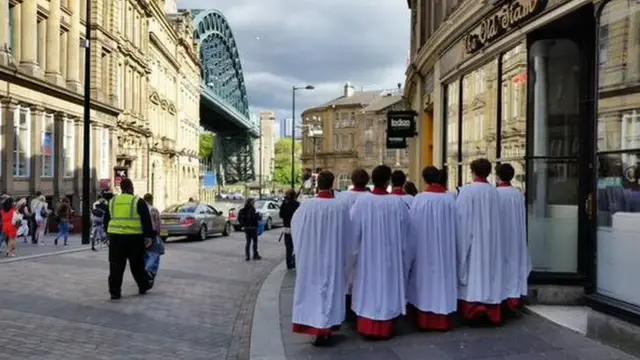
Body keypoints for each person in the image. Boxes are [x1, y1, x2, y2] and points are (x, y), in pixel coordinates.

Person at [349, 165, 410, 339]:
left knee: (369, 289)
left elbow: (353, 232)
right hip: (390, 255)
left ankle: (368, 323)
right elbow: (406, 230)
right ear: (388, 181)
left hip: (368, 256)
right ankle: (387, 321)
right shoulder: (397, 203)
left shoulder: (362, 202)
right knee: (387, 287)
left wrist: (353, 256)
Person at [290, 171, 351, 346]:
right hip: (333, 257)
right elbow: (348, 234)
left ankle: (316, 326)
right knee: (330, 291)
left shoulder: (307, 207)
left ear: (317, 185)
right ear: (332, 184)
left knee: (315, 291)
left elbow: (297, 229)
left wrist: (301, 251)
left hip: (313, 258)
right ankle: (328, 326)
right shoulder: (341, 207)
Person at [406, 166, 458, 331]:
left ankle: (425, 317)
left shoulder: (420, 199)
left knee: (426, 282)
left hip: (425, 248)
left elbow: (412, 227)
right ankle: (443, 316)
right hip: (445, 248)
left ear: (424, 179)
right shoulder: (451, 198)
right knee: (443, 281)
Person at [456, 158, 503, 325]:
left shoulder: (467, 191)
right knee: (490, 273)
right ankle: (491, 308)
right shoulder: (494, 192)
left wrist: (461, 246)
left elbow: (462, 220)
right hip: (491, 242)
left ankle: (473, 308)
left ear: (473, 172)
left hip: (474, 242)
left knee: (473, 274)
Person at [107, 178, 155, 300]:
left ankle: (114, 292)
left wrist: (106, 234)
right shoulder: (137, 201)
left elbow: (106, 220)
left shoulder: (112, 201)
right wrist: (148, 236)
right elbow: (146, 220)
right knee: (137, 265)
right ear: (131, 187)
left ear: (121, 188)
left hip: (116, 238)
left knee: (116, 267)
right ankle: (143, 285)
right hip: (134, 238)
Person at [495, 163, 531, 313]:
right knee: (514, 265)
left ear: (497, 176)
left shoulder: (496, 194)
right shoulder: (517, 194)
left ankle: (502, 296)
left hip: (500, 235)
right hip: (515, 235)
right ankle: (514, 295)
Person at [337, 168, 370, 321]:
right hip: (369, 245)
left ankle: (347, 305)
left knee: (348, 276)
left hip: (346, 242)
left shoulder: (342, 197)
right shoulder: (370, 198)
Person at [143, 193, 165, 288]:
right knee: (154, 254)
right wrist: (158, 234)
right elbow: (158, 225)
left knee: (144, 255)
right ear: (151, 199)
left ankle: (144, 270)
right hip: (152, 236)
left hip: (141, 236)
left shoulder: (141, 210)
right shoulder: (153, 210)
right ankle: (149, 271)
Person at [279, 189, 299, 270]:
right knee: (297, 246)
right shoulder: (296, 204)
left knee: (288, 247)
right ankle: (294, 261)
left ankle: (289, 263)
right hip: (295, 227)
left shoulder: (284, 204)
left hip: (287, 228)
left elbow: (281, 215)